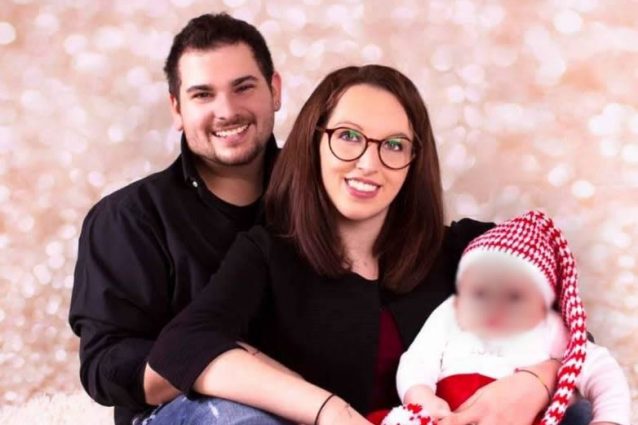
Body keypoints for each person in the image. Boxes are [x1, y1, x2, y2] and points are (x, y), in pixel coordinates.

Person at [145, 65, 575, 425]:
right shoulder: (268, 254)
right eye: (348, 136)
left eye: (394, 145)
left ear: (414, 161)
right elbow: (182, 346)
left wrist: (536, 381)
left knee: (580, 412)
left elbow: (570, 327)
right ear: (315, 141)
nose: (369, 164)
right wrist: (329, 411)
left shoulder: (467, 250)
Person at [68, 13, 283, 425]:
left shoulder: (323, 196)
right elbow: (106, 366)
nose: (227, 111)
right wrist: (233, 366)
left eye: (243, 87)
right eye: (203, 95)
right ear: (177, 109)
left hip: (314, 401)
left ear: (274, 90)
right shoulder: (127, 218)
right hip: (182, 410)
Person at [381, 210, 630, 425]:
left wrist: (608, 419)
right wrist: (421, 395)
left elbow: (601, 370)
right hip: (448, 415)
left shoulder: (549, 328)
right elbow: (419, 357)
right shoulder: (452, 312)